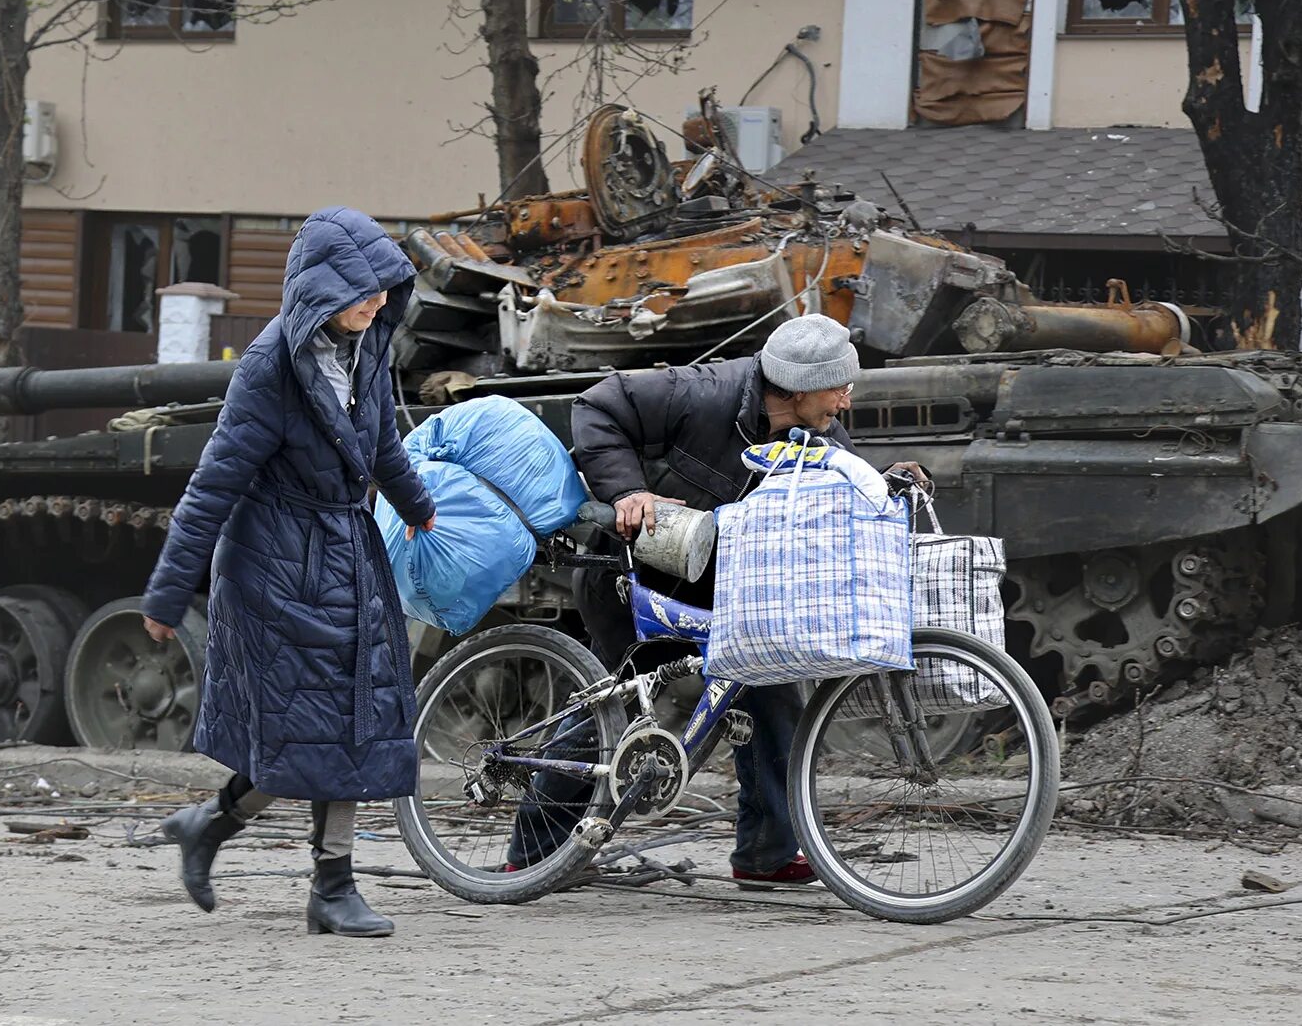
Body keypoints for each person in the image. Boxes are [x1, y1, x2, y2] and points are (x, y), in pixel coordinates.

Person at [508, 312, 929, 883]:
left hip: (730, 588)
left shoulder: (821, 431)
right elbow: (598, 406)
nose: (845, 403)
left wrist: (889, 478)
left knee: (775, 694)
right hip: (637, 577)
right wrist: (627, 489)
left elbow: (842, 485)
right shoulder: (701, 393)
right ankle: (533, 851)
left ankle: (767, 854)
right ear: (801, 388)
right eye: (839, 388)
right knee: (621, 705)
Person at [140, 207, 436, 938]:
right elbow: (212, 484)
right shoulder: (271, 366)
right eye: (361, 289)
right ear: (324, 288)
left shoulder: (366, 347)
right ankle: (331, 886)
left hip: (345, 549)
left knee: (345, 722)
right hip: (276, 565)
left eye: (382, 288)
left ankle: (211, 824)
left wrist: (418, 505)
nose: (375, 301)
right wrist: (168, 592)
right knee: (325, 725)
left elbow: (383, 443)